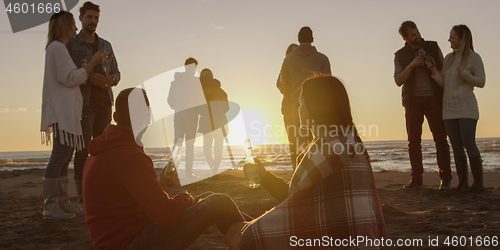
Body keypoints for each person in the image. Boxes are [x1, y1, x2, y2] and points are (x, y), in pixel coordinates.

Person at [83, 88, 248, 250]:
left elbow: (125, 201)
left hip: (119, 239)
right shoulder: (130, 155)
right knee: (220, 202)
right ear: (147, 116)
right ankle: (258, 237)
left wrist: (161, 188)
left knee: (208, 198)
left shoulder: (100, 152)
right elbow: (166, 215)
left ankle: (256, 229)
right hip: (132, 243)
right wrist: (185, 197)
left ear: (116, 117)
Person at [239, 76, 385, 249]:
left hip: (337, 239)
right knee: (235, 217)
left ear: (316, 106)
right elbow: (301, 198)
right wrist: (264, 176)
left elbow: (292, 201)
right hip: (363, 237)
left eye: (301, 102)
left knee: (246, 234)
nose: (298, 108)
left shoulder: (327, 147)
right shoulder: (350, 141)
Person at [40, 11, 107, 219]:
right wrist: (92, 64)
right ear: (64, 26)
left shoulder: (56, 49)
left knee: (65, 156)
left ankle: (63, 203)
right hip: (62, 113)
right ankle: (51, 207)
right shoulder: (57, 48)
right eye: (72, 25)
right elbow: (70, 78)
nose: (76, 29)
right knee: (59, 157)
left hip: (66, 112)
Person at [66, 1, 121, 209]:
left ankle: (100, 193)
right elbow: (69, 74)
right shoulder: (72, 44)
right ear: (81, 18)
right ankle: (82, 198)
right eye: (89, 17)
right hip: (84, 103)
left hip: (105, 103)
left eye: (96, 18)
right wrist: (88, 78)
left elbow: (117, 72)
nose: (93, 21)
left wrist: (111, 80)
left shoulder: (106, 45)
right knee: (82, 150)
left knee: (103, 150)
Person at [426, 25, 486, 193]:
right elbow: (445, 84)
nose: (449, 40)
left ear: (462, 38)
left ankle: (478, 183)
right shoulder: (449, 59)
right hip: (449, 110)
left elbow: (481, 82)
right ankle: (462, 183)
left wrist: (464, 73)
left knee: (469, 143)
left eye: (452, 37)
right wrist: (433, 71)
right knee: (456, 146)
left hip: (466, 109)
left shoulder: (474, 58)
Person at [394, 21, 452, 190]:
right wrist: (411, 65)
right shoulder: (400, 55)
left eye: (417, 32)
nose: (417, 36)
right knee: (413, 141)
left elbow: (444, 72)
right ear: (405, 38)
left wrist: (432, 66)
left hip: (434, 97)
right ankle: (416, 180)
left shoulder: (433, 47)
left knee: (440, 139)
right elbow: (398, 80)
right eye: (412, 35)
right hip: (413, 101)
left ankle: (446, 179)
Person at [279, 27, 331, 171]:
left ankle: (299, 176)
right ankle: (318, 173)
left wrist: (291, 96)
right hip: (319, 107)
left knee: (298, 144)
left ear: (298, 39)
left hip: (295, 107)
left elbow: (283, 83)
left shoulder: (288, 60)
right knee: (319, 141)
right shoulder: (322, 58)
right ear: (312, 39)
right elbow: (329, 84)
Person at [167, 57, 206, 179]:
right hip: (192, 116)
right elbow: (201, 99)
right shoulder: (196, 81)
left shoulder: (174, 82)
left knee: (177, 144)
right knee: (190, 145)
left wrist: (177, 106)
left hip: (178, 115)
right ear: (193, 67)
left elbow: (170, 100)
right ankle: (188, 173)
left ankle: (173, 171)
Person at [198, 68, 230, 176]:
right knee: (218, 148)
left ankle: (213, 167)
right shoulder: (221, 91)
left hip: (207, 123)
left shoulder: (199, 92)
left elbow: (197, 108)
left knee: (207, 149)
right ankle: (215, 168)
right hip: (220, 122)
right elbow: (226, 108)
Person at [277, 43, 299, 169]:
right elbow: (279, 83)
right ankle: (296, 169)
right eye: (293, 52)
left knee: (306, 138)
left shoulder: (302, 68)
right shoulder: (285, 67)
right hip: (289, 107)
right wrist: (290, 92)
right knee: (293, 140)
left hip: (304, 106)